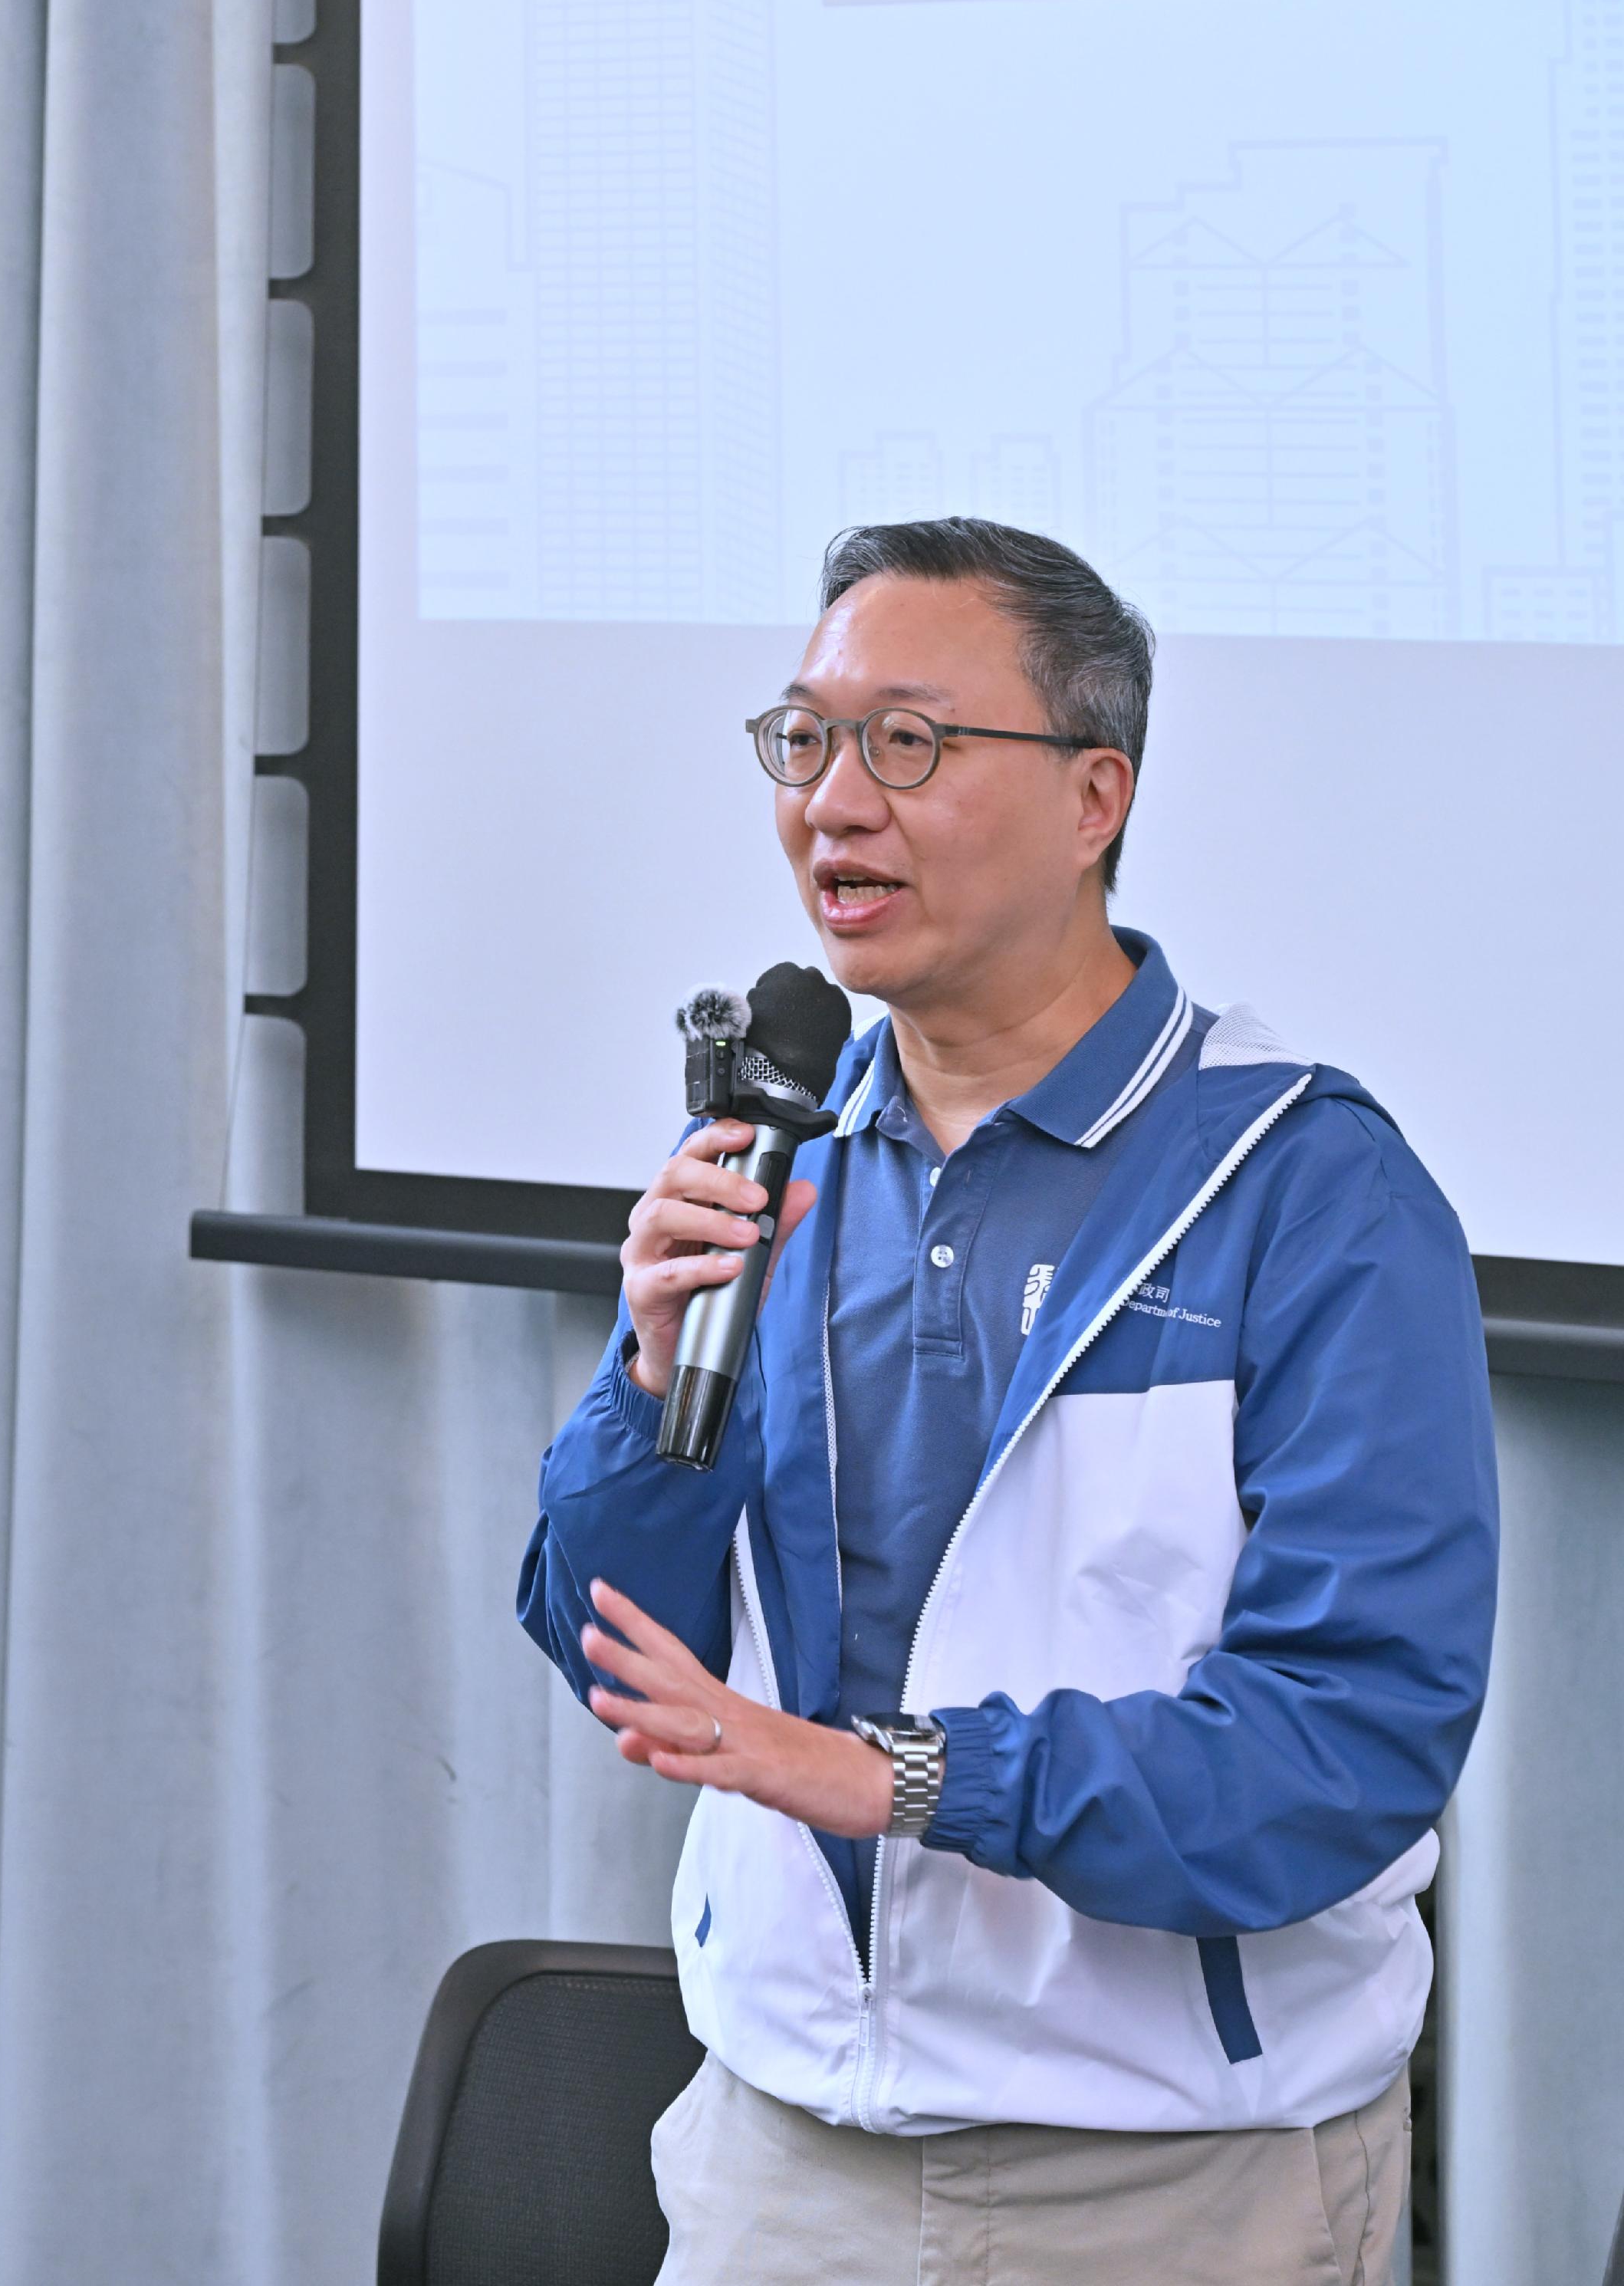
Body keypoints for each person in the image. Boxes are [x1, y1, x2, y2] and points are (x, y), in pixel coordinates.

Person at [516, 519, 1497, 2284]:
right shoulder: (771, 1151)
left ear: (1090, 796)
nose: (831, 799)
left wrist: (890, 1777)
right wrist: (647, 1381)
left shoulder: (1300, 1188)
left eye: (907, 741)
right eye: (801, 739)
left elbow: (1342, 1749)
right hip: (778, 2149)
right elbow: (620, 1645)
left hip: (1170, 2179)